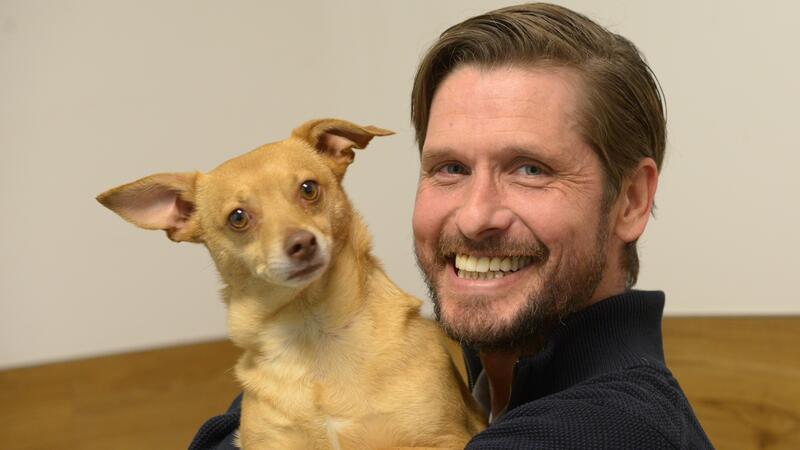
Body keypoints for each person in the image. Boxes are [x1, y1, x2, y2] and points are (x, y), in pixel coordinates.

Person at [191, 3, 713, 449]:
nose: (475, 214)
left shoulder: (617, 427)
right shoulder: (461, 384)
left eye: (530, 169)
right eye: (451, 169)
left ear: (632, 201)